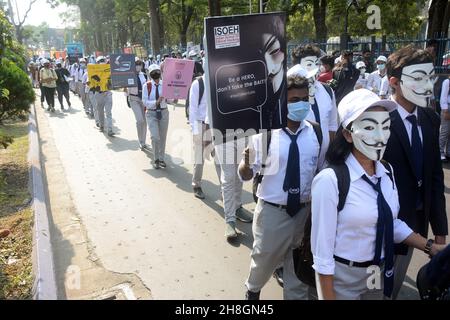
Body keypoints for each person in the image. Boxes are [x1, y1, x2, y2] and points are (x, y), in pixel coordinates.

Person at [311, 89, 448, 300]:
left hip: (378, 273)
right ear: (348, 134)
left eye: (385, 127)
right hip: (343, 278)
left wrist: (430, 247)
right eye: (369, 127)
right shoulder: (329, 181)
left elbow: (391, 223)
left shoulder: (387, 172)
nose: (380, 136)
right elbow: (322, 255)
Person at [239, 71, 323, 300]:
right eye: (295, 100)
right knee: (263, 261)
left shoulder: (315, 132)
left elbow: (321, 172)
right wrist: (245, 164)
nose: (301, 104)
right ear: (282, 103)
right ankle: (253, 290)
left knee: (298, 266)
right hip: (273, 212)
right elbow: (246, 175)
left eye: (305, 99)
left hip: (304, 212)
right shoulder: (264, 134)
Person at [383, 45, 448, 299]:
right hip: (381, 227)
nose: (428, 85)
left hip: (415, 226)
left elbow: (434, 177)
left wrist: (440, 230)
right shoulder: (379, 121)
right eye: (418, 78)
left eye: (430, 77)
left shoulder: (430, 119)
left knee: (393, 287)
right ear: (395, 82)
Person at [291, 44, 338, 168]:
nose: (315, 69)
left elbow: (332, 124)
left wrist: (329, 153)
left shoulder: (327, 91)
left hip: (324, 162)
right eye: (309, 64)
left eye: (317, 64)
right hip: (297, 161)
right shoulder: (287, 92)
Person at [189, 75, 221, 199]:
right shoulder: (198, 84)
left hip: (215, 125)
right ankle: (196, 185)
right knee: (199, 158)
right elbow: (192, 109)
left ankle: (225, 189)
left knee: (218, 157)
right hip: (200, 124)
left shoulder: (218, 81)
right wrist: (195, 131)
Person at [143, 64, 169, 169]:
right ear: (150, 74)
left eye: (157, 71)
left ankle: (161, 159)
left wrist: (174, 99)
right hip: (151, 113)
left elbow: (170, 99)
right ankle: (156, 158)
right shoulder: (147, 86)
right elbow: (144, 102)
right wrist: (156, 102)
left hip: (164, 112)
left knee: (162, 137)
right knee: (155, 136)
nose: (156, 74)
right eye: (153, 72)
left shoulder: (166, 84)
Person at [126, 57, 149, 151]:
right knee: (139, 120)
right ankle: (140, 141)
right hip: (134, 99)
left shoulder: (144, 75)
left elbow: (148, 87)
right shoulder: (128, 75)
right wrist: (125, 89)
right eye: (136, 64)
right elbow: (125, 90)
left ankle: (143, 141)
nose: (138, 66)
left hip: (143, 100)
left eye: (139, 64)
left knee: (144, 121)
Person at [94, 56, 115, 137]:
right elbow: (90, 83)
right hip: (98, 94)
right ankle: (102, 126)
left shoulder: (109, 71)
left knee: (108, 112)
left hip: (107, 93)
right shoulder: (93, 71)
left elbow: (113, 83)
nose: (102, 62)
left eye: (103, 60)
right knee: (100, 112)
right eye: (100, 61)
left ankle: (110, 130)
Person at [439, 76, 450, 162]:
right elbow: (443, 96)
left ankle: (448, 152)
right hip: (448, 108)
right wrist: (445, 110)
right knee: (445, 132)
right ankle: (440, 153)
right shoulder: (447, 81)